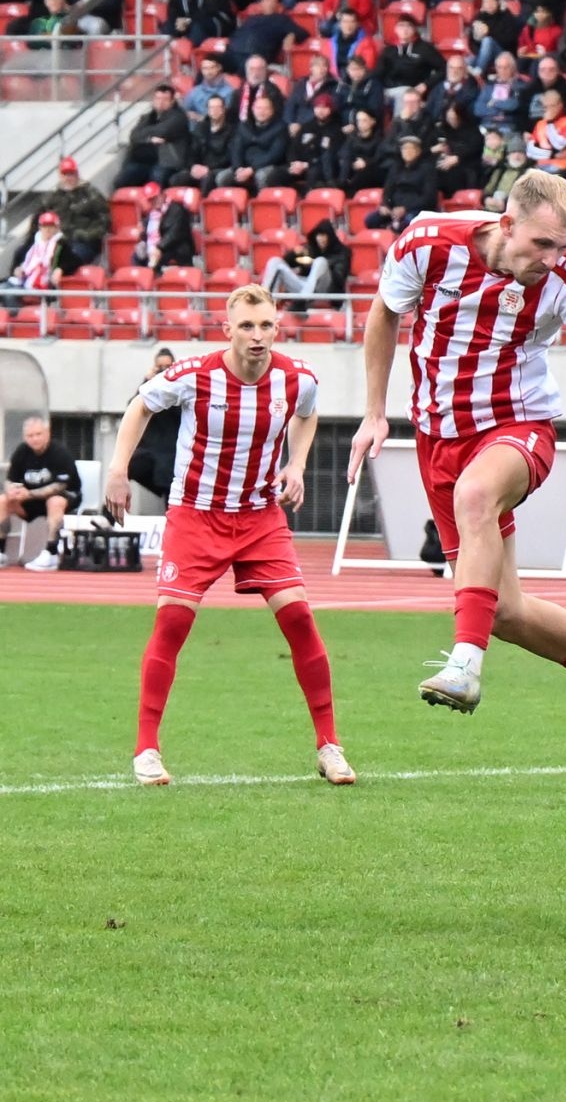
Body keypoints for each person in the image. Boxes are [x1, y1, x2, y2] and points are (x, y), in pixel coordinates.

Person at [348, 172, 566, 717]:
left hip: (517, 426)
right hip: (437, 438)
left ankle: (464, 666)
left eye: (564, 247)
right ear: (506, 224)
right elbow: (385, 312)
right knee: (505, 612)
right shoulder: (427, 241)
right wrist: (374, 412)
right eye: (543, 244)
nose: (553, 259)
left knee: (475, 495)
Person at [96, 287, 354, 787]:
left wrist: (297, 464)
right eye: (247, 326)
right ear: (227, 330)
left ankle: (330, 746)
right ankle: (146, 750)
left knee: (300, 618)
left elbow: (308, 412)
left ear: (277, 328)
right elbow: (140, 406)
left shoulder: (297, 377)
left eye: (266, 325)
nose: (257, 336)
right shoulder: (196, 374)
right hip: (196, 515)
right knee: (172, 624)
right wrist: (117, 469)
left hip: (260, 517)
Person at [3, 415, 79, 571]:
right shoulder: (21, 452)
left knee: (55, 501)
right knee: (3, 501)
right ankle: (1, 551)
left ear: (47, 433)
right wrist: (11, 490)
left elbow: (60, 485)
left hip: (64, 498)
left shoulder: (59, 452)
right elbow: (10, 479)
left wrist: (29, 494)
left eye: (38, 434)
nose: (35, 439)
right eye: (30, 436)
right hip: (30, 501)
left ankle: (51, 553)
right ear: (25, 437)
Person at [127, 348, 181, 501]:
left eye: (167, 367)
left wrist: (172, 384)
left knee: (171, 492)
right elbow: (133, 409)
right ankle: (110, 510)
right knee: (128, 466)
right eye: (160, 367)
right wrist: (147, 381)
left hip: (173, 452)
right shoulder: (149, 387)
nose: (163, 371)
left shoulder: (181, 386)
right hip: (150, 450)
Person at [114, 84, 191, 190]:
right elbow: (133, 135)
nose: (160, 102)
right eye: (158, 98)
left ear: (172, 101)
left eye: (165, 99)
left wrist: (144, 134)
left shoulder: (179, 117)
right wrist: (149, 139)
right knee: (122, 179)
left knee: (156, 177)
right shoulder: (147, 117)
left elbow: (162, 131)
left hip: (167, 162)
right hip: (144, 161)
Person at [263, 219, 348, 307]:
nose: (320, 239)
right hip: (305, 287)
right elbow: (287, 263)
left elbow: (339, 278)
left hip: (325, 290)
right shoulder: (310, 249)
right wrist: (293, 254)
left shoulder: (342, 252)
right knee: (275, 261)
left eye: (323, 235)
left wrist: (318, 264)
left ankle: (302, 302)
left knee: (320, 262)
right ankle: (263, 302)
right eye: (318, 235)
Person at [42, 155, 108, 268]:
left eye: (71, 174)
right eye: (64, 174)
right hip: (58, 241)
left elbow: (104, 220)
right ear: (60, 176)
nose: (68, 178)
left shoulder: (90, 193)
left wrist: (86, 235)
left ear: (77, 174)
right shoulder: (52, 197)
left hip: (85, 242)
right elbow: (41, 220)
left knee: (68, 259)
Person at [0, 212, 62, 312]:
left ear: (56, 228)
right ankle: (11, 318)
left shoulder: (60, 245)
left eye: (51, 226)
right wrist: (18, 269)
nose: (48, 229)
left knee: (9, 294)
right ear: (40, 227)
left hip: (41, 286)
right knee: (2, 288)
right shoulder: (33, 244)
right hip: (24, 281)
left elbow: (72, 261)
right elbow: (23, 264)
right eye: (45, 226)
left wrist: (60, 269)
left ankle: (17, 318)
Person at [130, 182, 195, 271]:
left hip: (175, 247)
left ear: (161, 194)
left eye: (155, 198)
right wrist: (142, 235)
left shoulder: (176, 209)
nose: (154, 201)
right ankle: (141, 277)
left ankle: (154, 273)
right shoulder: (151, 215)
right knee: (137, 255)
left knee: (157, 257)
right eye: (150, 200)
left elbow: (174, 234)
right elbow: (147, 234)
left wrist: (159, 248)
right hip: (157, 247)